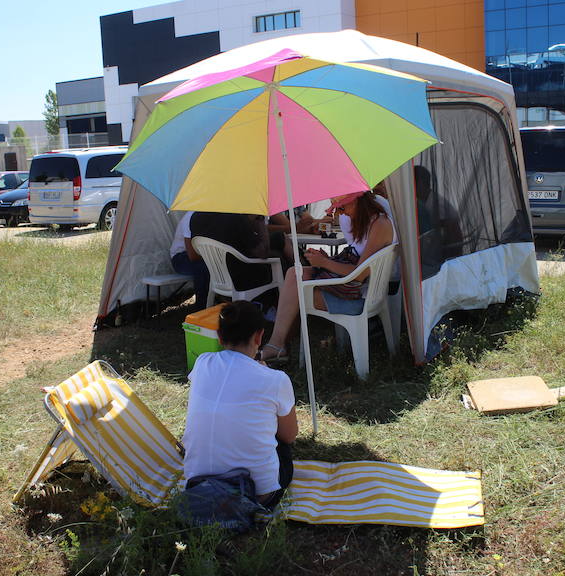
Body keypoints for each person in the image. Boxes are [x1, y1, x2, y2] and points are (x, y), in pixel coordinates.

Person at [182, 301, 298, 508]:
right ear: (259, 336)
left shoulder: (203, 363)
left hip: (198, 485)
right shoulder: (276, 379)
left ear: (219, 336)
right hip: (256, 494)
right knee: (281, 445)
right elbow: (289, 435)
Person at [259, 191, 395, 362]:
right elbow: (356, 264)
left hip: (358, 295)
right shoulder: (366, 222)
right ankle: (279, 345)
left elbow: (359, 275)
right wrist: (326, 259)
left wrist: (324, 263)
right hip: (351, 287)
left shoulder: (380, 225)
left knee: (295, 289)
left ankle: (278, 346)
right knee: (295, 274)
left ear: (358, 202)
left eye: (342, 207)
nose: (340, 213)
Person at [169, 211, 210, 308]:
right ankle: (201, 307)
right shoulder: (190, 218)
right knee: (203, 267)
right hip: (180, 258)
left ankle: (219, 300)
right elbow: (192, 256)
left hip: (201, 255)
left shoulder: (212, 215)